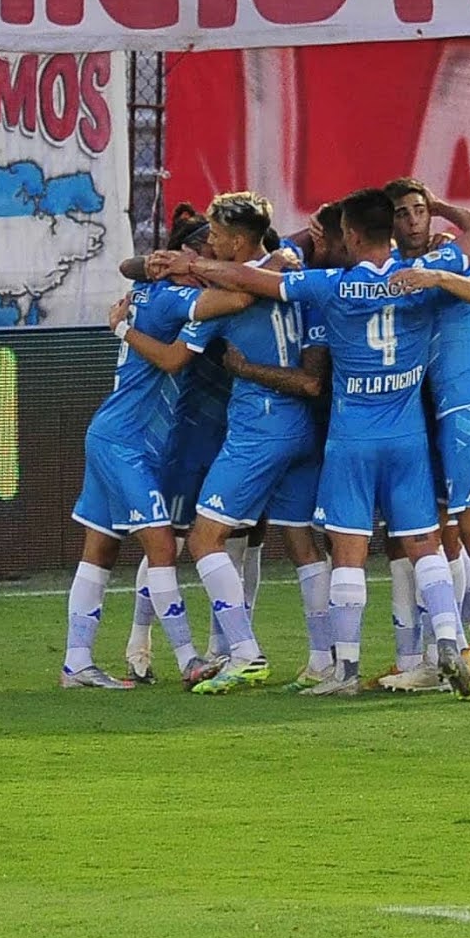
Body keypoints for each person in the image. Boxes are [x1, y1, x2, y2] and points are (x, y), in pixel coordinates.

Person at [187, 187, 470, 699]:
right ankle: (448, 642)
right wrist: (437, 221)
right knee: (423, 544)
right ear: (390, 232)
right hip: (408, 437)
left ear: (349, 235)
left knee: (348, 551)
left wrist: (194, 267)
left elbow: (248, 278)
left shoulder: (332, 287)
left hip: (352, 440)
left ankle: (344, 671)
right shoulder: (421, 279)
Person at [131, 192, 331, 693]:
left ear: (238, 241)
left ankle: (245, 653)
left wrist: (125, 326)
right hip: (302, 425)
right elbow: (292, 247)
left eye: (216, 235)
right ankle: (325, 659)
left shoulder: (223, 301)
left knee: (203, 539)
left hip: (258, 428)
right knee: (303, 543)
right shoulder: (288, 266)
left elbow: (176, 357)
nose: (209, 242)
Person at [375, 178, 470, 698]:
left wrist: (439, 275)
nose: (415, 218)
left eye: (421, 210)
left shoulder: (450, 260)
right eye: (404, 212)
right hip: (437, 416)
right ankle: (452, 656)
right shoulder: (395, 273)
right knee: (443, 537)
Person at [60, 257, 210, 688]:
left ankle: (76, 663)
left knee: (101, 549)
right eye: (197, 259)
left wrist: (149, 266)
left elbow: (129, 266)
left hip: (116, 435)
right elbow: (231, 298)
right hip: (125, 444)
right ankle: (188, 661)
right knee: (162, 547)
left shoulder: (149, 294)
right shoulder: (171, 300)